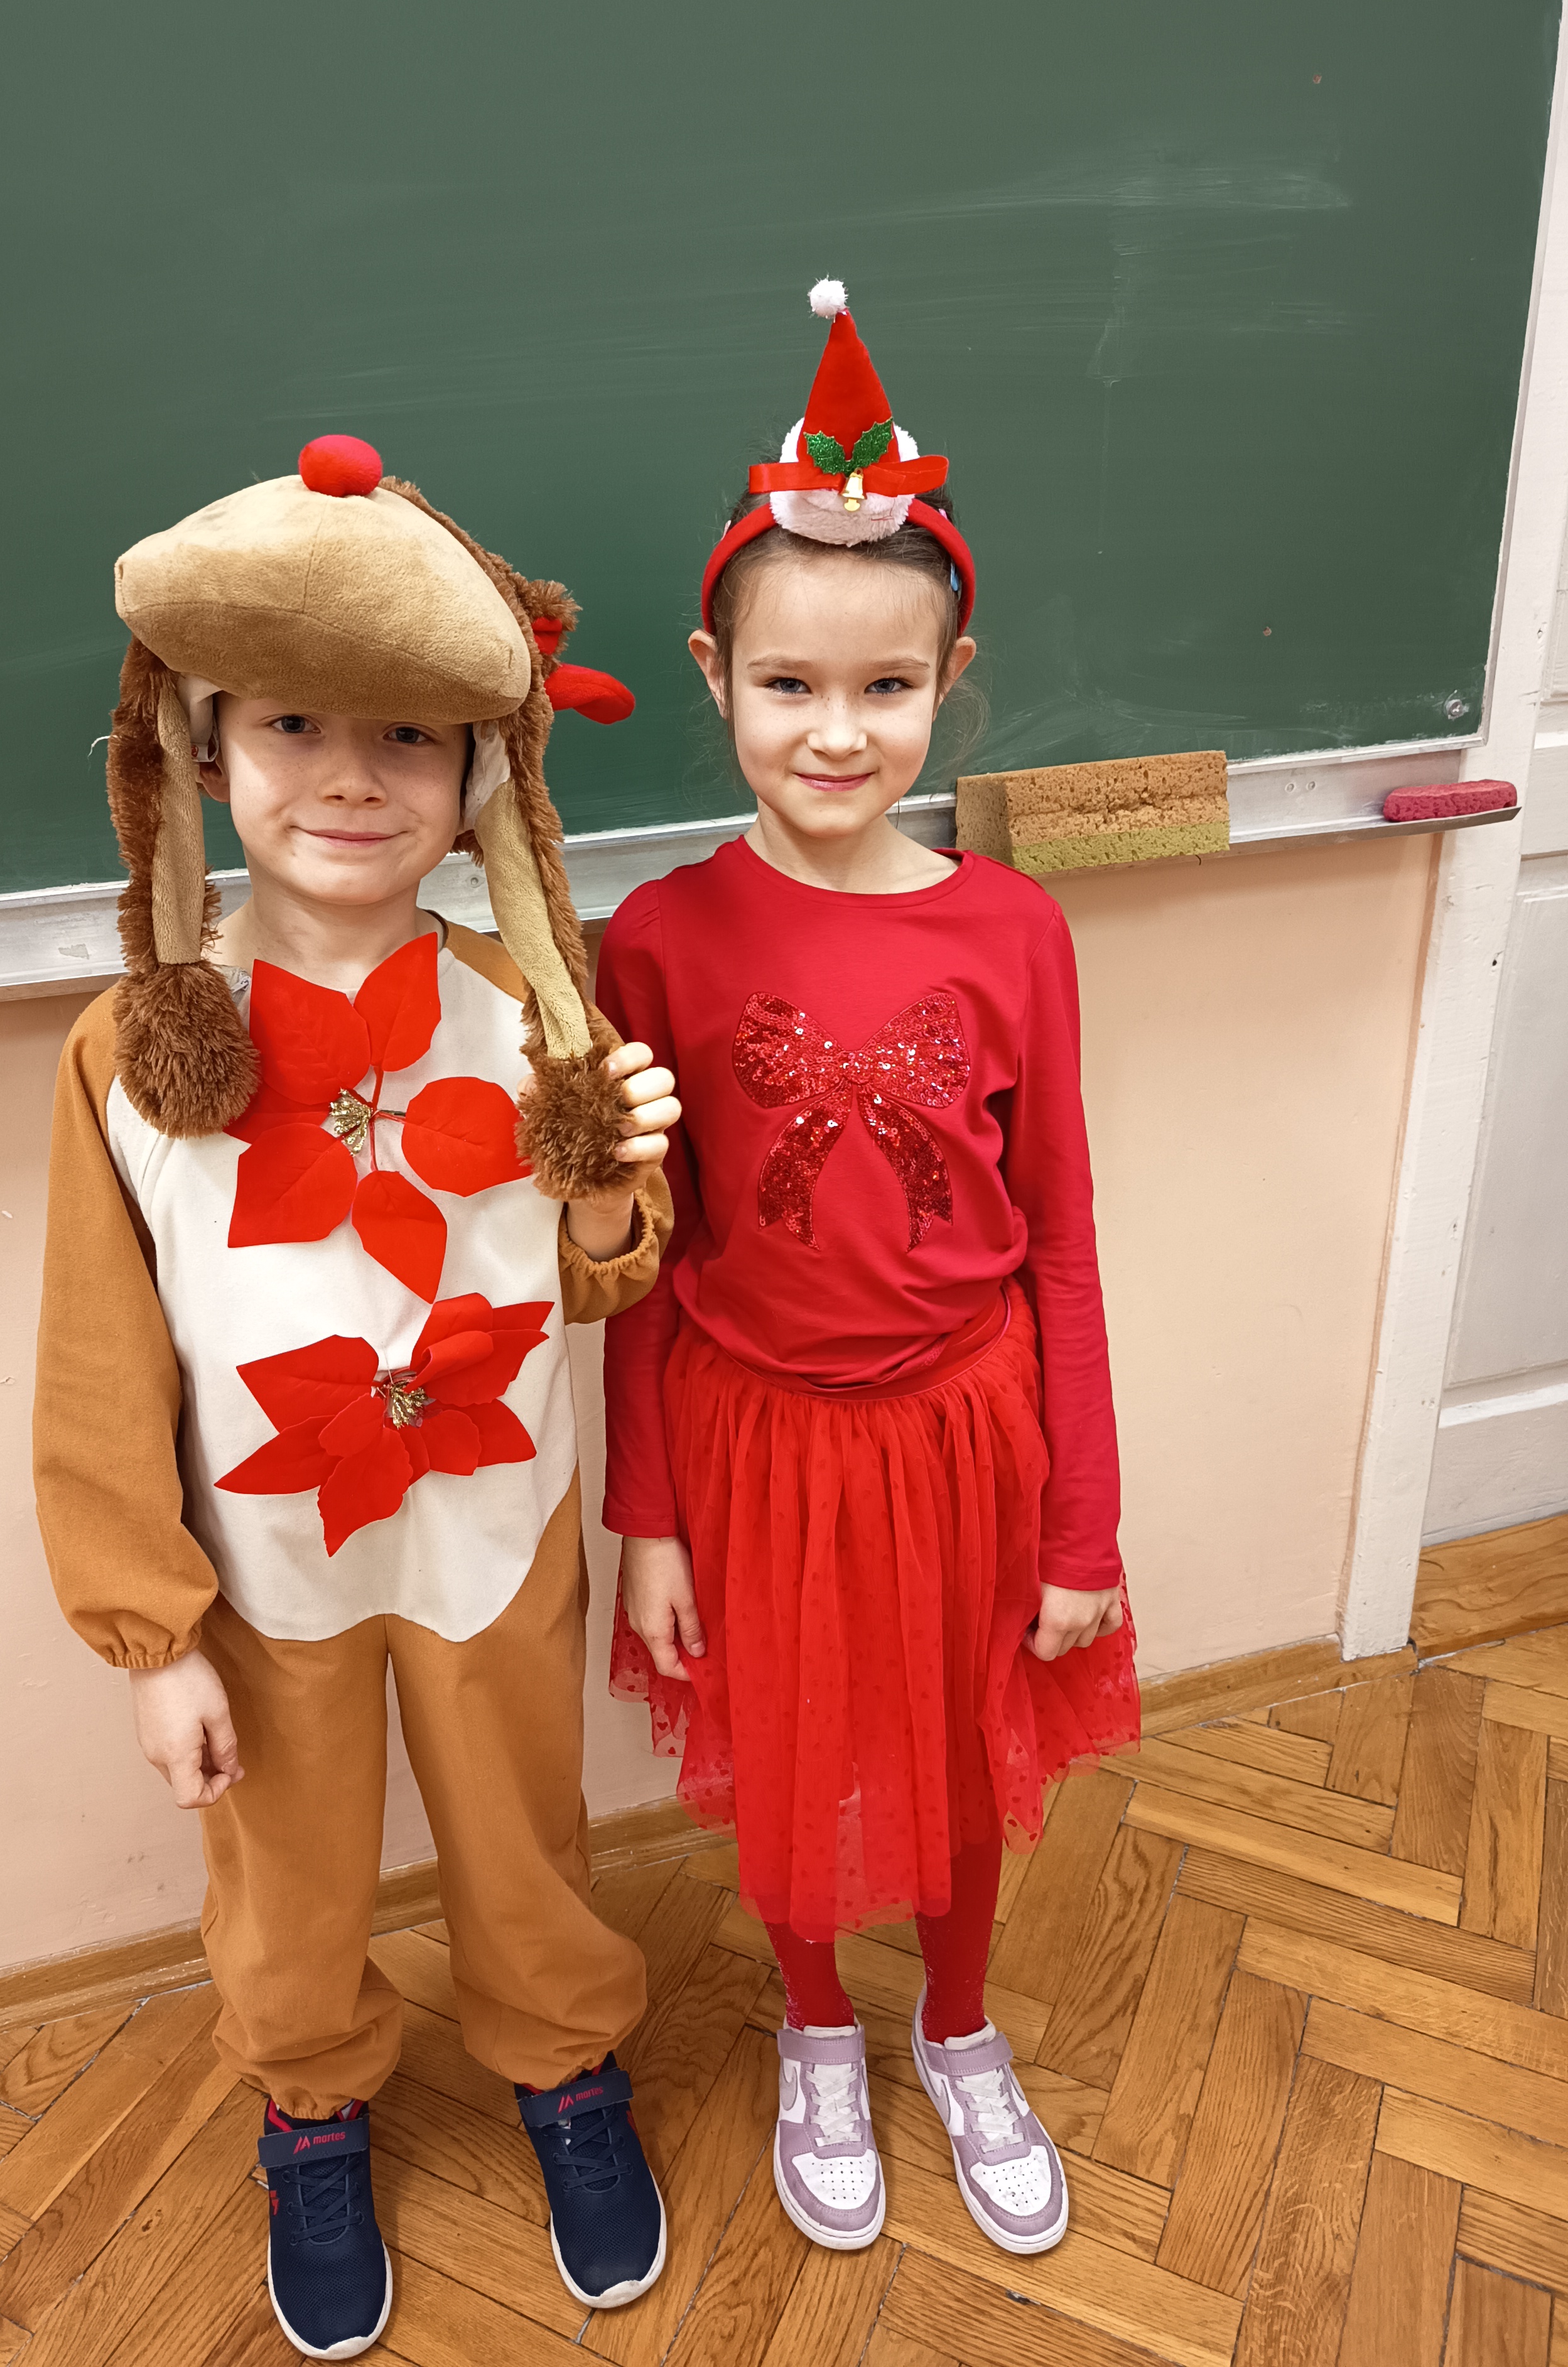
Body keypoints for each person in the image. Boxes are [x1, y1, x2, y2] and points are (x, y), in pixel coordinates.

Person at [32, 437, 680, 2360]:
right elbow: (96, 1365)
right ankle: (310, 2107)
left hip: (492, 1526)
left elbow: (594, 1272)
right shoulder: (138, 1052)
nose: (348, 775)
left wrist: (611, 1192)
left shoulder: (530, 1003)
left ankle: (564, 2063)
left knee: (527, 1832)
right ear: (206, 751)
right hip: (263, 1566)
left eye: (406, 734)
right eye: (293, 724)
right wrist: (152, 1636)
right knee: (284, 1872)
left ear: (477, 771)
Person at [598, 284, 1140, 2262]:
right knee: (803, 1750)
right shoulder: (656, 940)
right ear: (716, 678)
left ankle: (962, 2026)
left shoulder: (1012, 934)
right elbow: (646, 1261)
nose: (838, 732)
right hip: (754, 1440)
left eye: (888, 687)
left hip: (968, 1433)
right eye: (790, 685)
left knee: (968, 1758)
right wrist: (650, 1517)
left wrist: (1084, 1523)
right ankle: (819, 2026)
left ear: (948, 680)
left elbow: (1061, 1240)